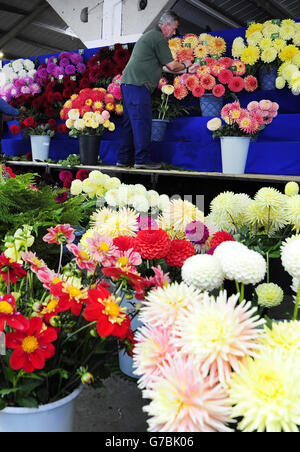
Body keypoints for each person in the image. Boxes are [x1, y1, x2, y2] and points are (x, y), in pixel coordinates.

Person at [117, 10, 199, 170]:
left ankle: (124, 159)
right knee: (142, 122)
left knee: (129, 124)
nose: (174, 33)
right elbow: (172, 65)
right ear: (166, 25)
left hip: (128, 84)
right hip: (137, 85)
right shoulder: (158, 37)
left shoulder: (151, 36)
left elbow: (164, 67)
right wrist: (187, 65)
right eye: (174, 29)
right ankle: (141, 160)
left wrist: (188, 71)